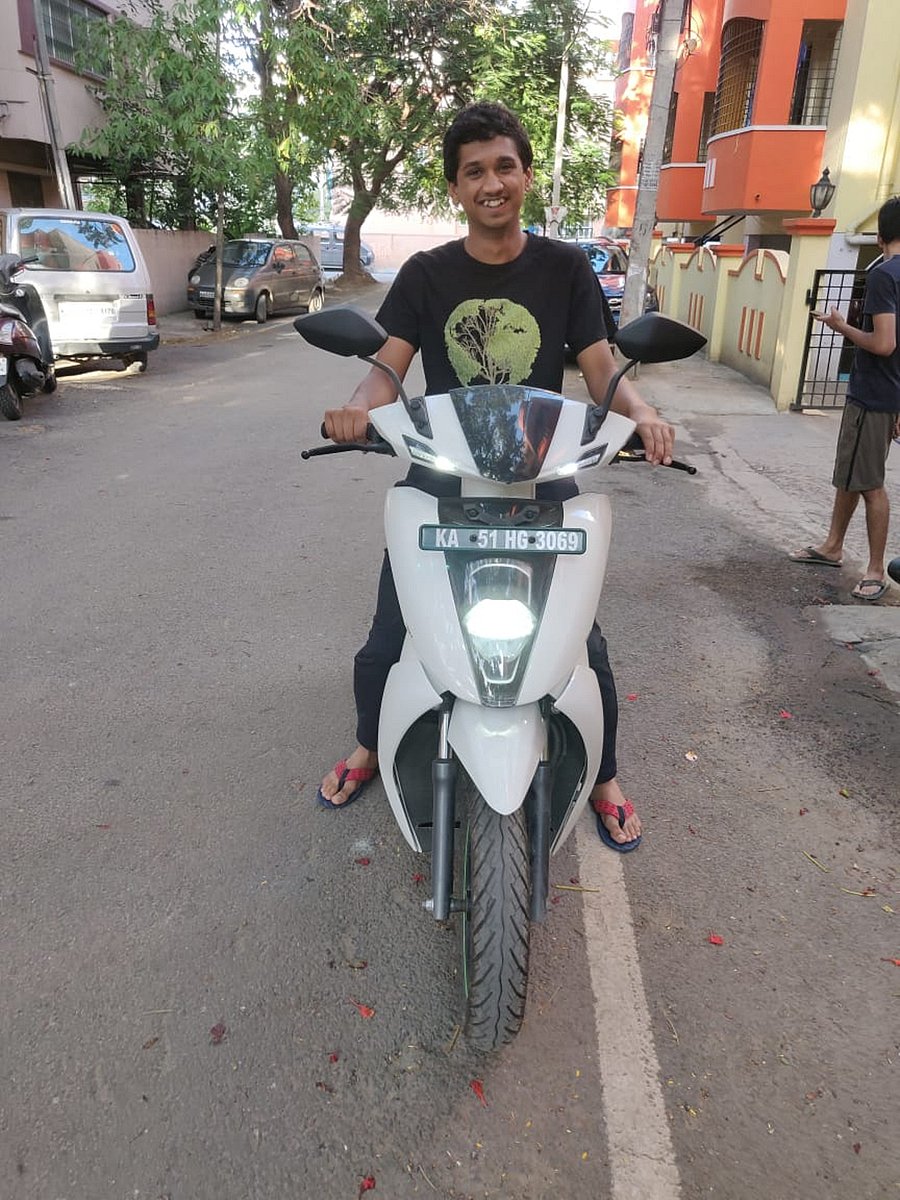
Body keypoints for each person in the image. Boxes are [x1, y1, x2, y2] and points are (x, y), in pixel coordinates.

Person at [315, 101, 676, 850]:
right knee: (389, 638)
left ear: (526, 176)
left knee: (582, 648)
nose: (491, 183)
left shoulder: (567, 267)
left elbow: (602, 368)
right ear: (455, 188)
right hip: (444, 479)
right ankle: (370, 747)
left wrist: (642, 413)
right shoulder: (426, 273)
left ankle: (603, 774)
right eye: (474, 171)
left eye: (504, 166)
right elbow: (388, 366)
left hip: (541, 482)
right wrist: (355, 409)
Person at [790, 196, 900, 601]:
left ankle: (875, 570)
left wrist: (840, 326)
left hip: (873, 393)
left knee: (869, 482)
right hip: (888, 393)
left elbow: (883, 343)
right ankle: (832, 545)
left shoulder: (885, 276)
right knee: (850, 472)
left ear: (881, 233)